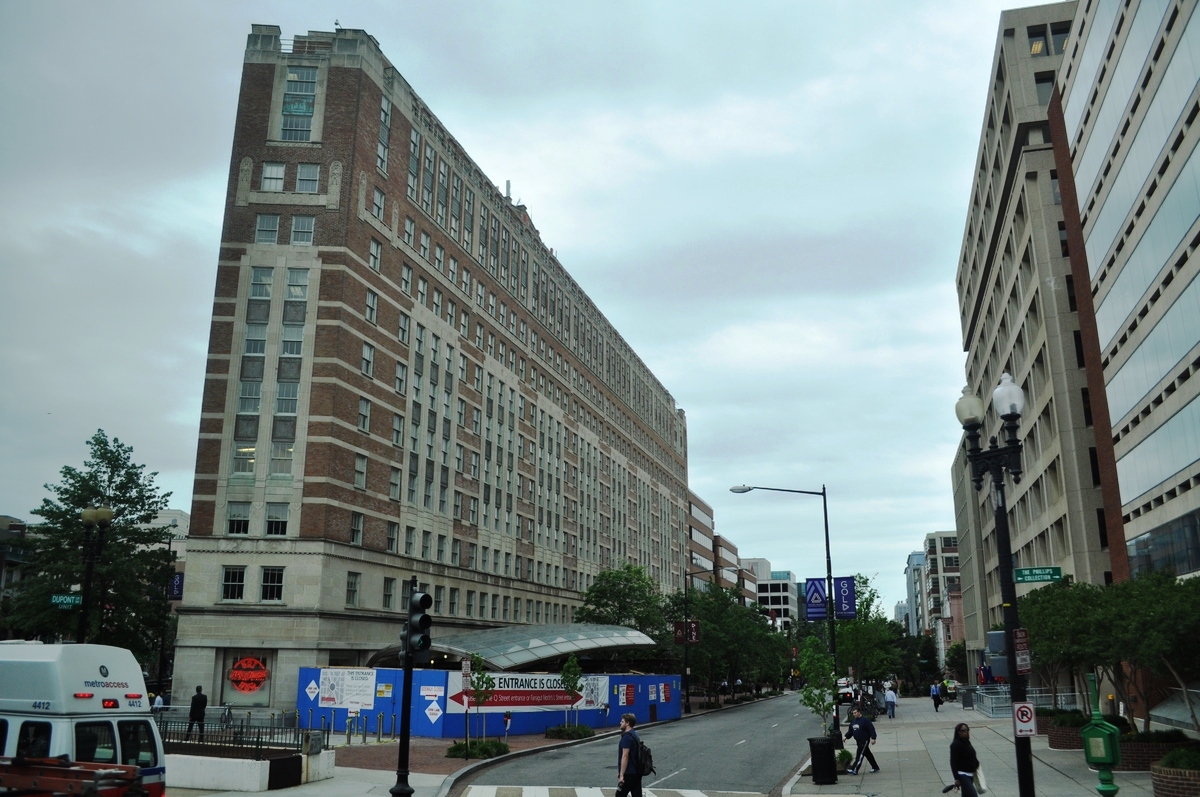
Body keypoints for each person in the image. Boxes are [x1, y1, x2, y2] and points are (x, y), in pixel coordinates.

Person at [843, 707, 879, 775]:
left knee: (860, 755)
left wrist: (873, 738)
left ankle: (854, 769)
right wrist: (846, 737)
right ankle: (875, 767)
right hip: (858, 741)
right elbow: (850, 731)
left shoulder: (865, 720)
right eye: (853, 713)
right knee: (867, 754)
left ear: (859, 712)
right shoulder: (853, 722)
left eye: (855, 713)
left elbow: (871, 729)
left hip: (864, 740)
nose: (854, 714)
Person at [949, 723, 981, 796]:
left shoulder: (967, 742)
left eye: (967, 729)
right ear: (958, 732)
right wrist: (956, 778)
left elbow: (972, 756)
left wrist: (976, 764)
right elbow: (953, 762)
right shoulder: (955, 745)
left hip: (971, 773)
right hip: (963, 775)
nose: (966, 731)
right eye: (963, 730)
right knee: (973, 795)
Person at [616, 712, 642, 797]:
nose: (620, 723)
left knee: (619, 795)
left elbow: (625, 756)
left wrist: (621, 774)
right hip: (636, 771)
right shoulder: (634, 734)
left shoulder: (627, 737)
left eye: (622, 721)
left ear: (628, 723)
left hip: (628, 773)